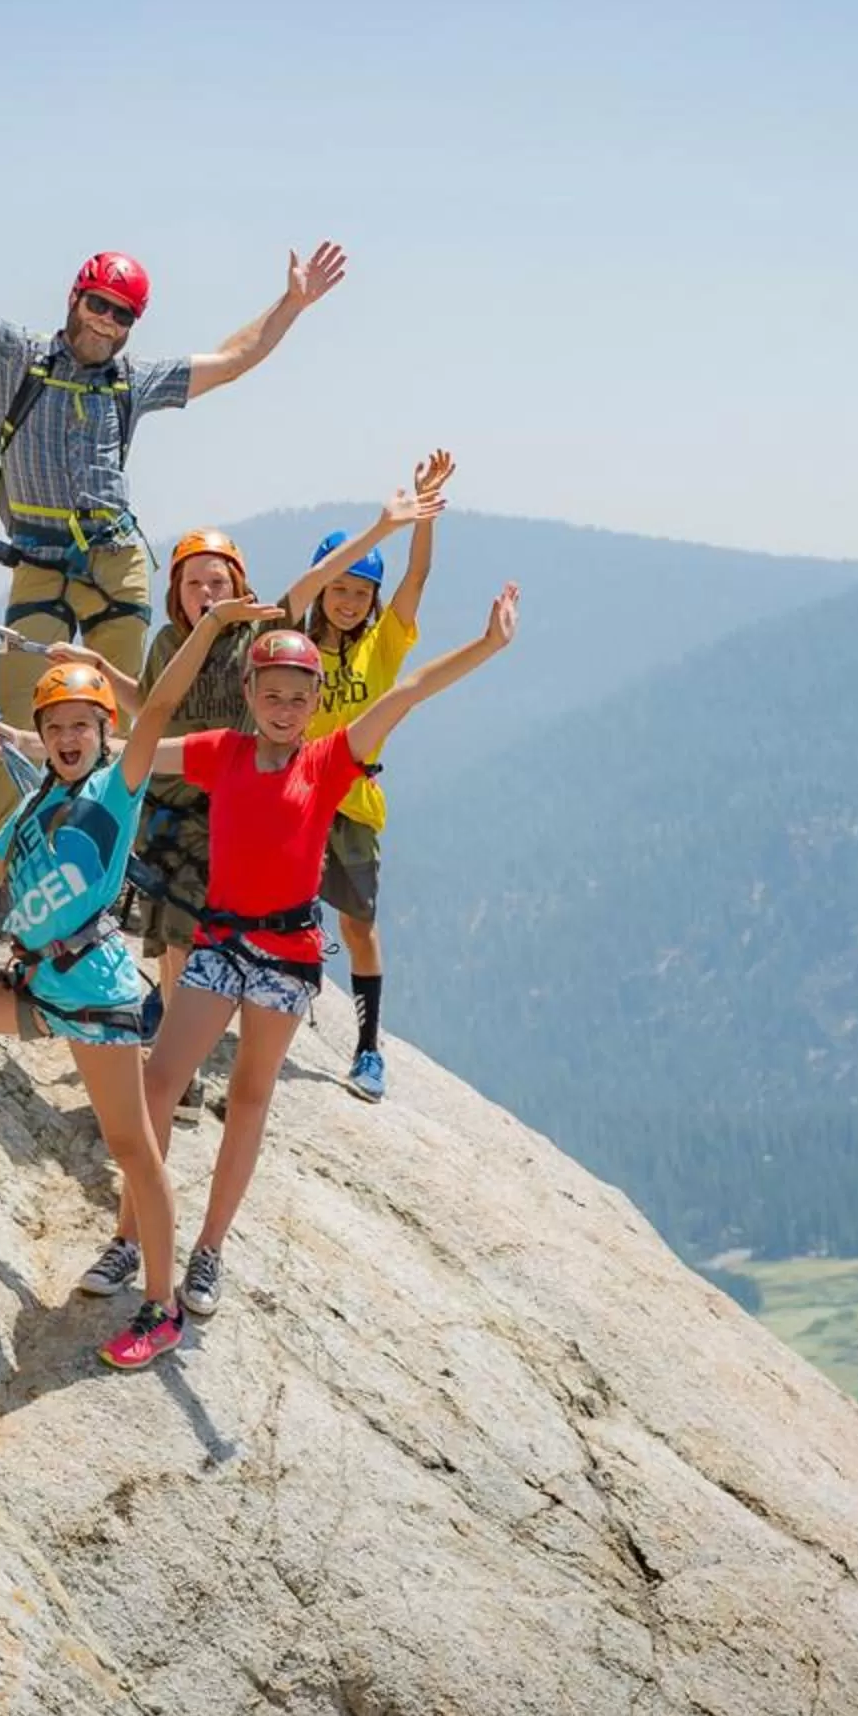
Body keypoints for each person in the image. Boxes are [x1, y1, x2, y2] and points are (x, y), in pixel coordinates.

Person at [0, 117, 349, 918]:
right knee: (23, 713)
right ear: (73, 299)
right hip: (42, 561)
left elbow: (231, 360)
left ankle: (109, 864)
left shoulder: (132, 380)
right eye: (98, 304)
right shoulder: (17, 356)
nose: (107, 322)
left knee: (134, 722)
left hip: (117, 562)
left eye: (123, 314)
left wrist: (290, 303)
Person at [0, 593, 284, 1371]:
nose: (69, 740)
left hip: (95, 996)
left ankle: (161, 1308)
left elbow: (163, 700)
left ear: (104, 735)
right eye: (57, 727)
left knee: (134, 1148)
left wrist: (208, 626)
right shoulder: (40, 798)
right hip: (32, 985)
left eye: (82, 727)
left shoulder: (115, 787)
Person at [87, 578, 522, 1321]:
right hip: (222, 940)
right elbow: (136, 752)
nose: (284, 710)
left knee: (249, 1100)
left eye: (297, 698)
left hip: (285, 951)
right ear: (251, 691)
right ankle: (132, 1235)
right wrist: (33, 740)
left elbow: (409, 690)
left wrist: (487, 645)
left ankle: (209, 1249)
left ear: (315, 702)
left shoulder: (329, 761)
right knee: (159, 1083)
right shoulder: (221, 752)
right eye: (273, 695)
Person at [109, 469, 452, 1124]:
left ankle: (354, 1043)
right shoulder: (222, 645)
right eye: (194, 582)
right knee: (196, 922)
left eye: (219, 581)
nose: (207, 592)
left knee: (325, 925)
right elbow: (158, 708)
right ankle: (184, 1014)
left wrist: (399, 525)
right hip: (224, 799)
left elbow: (361, 585)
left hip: (291, 802)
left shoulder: (315, 639)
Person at [303, 449, 455, 1101]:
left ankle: (368, 1049)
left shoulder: (383, 643)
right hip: (300, 794)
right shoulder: (294, 645)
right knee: (274, 909)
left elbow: (418, 575)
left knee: (359, 928)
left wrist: (421, 511)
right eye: (338, 588)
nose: (347, 600)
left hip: (356, 799)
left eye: (359, 592)